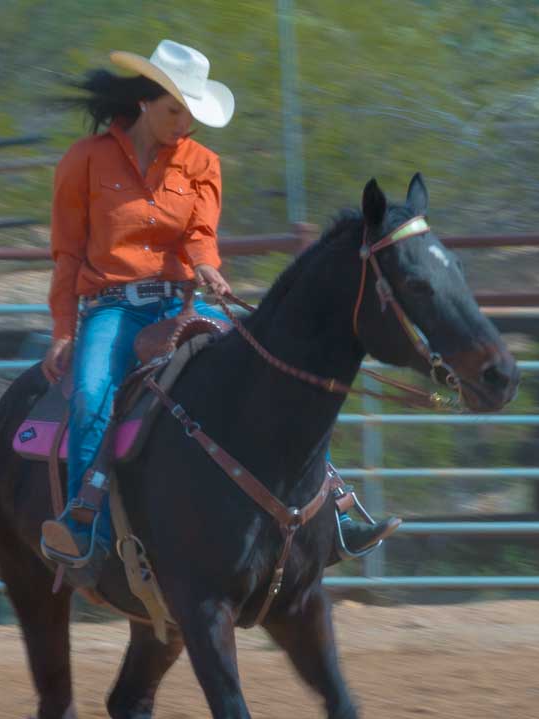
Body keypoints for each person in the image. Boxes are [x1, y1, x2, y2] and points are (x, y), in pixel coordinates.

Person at [40, 39, 398, 584]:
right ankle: (83, 524)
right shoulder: (83, 161)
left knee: (271, 373)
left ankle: (340, 511)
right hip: (113, 309)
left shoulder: (201, 163)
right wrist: (64, 331)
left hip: (183, 302)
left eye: (191, 113)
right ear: (145, 102)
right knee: (92, 394)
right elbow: (67, 253)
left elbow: (199, 234)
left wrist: (207, 265)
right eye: (174, 111)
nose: (184, 124)